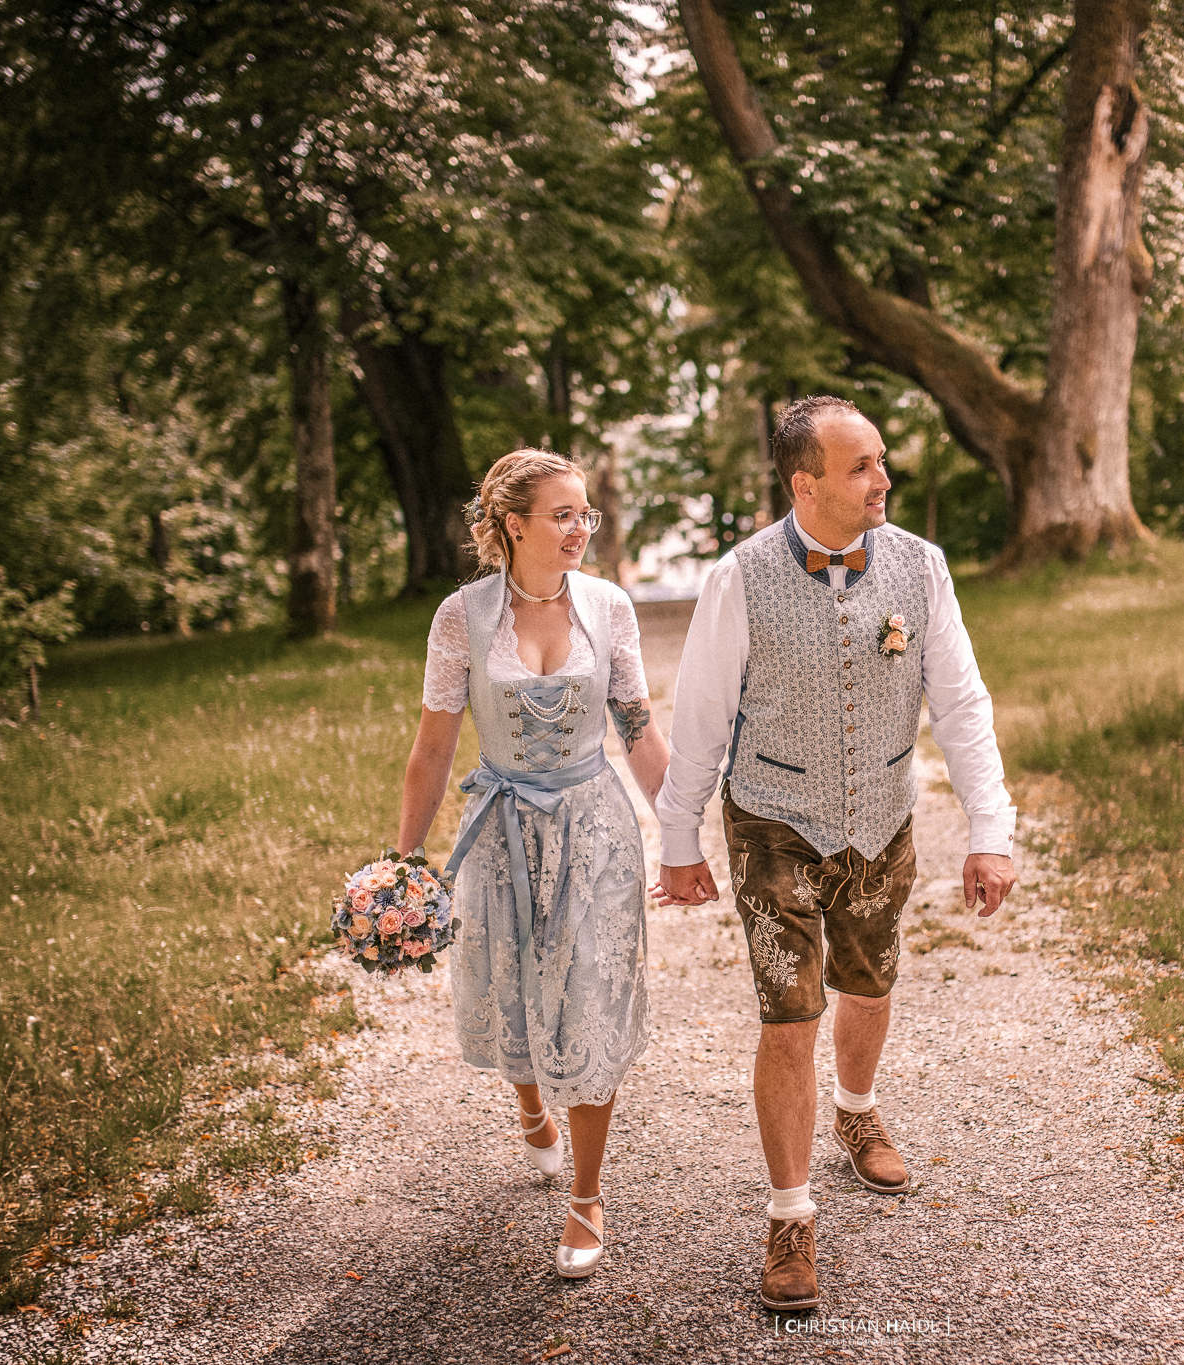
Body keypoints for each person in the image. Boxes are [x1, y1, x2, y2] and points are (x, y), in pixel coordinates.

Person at [652, 396, 1017, 1312]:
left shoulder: (920, 568)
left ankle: (855, 1113)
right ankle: (790, 1215)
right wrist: (678, 838)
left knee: (870, 983)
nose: (883, 479)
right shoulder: (739, 578)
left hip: (881, 820)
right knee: (789, 1015)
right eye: (862, 468)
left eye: (882, 461)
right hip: (773, 820)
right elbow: (698, 717)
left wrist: (989, 831)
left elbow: (962, 705)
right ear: (804, 482)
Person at [394, 449, 668, 1280]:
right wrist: (403, 867)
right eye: (563, 514)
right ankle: (529, 1106)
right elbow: (433, 749)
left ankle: (586, 1198)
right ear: (514, 524)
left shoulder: (610, 607)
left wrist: (685, 835)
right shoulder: (461, 617)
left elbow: (638, 731)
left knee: (589, 996)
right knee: (509, 985)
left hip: (596, 830)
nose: (581, 527)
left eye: (586, 513)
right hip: (503, 825)